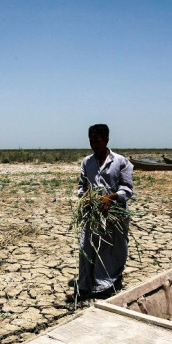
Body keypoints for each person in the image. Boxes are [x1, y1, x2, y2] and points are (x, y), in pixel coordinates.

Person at [69, 124, 134, 301]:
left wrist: (111, 198)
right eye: (91, 142)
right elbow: (82, 186)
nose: (94, 145)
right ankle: (84, 286)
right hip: (93, 213)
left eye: (97, 141)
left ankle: (106, 285)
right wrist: (86, 197)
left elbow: (127, 189)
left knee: (111, 249)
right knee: (87, 247)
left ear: (106, 140)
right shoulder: (87, 162)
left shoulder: (121, 162)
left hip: (115, 214)